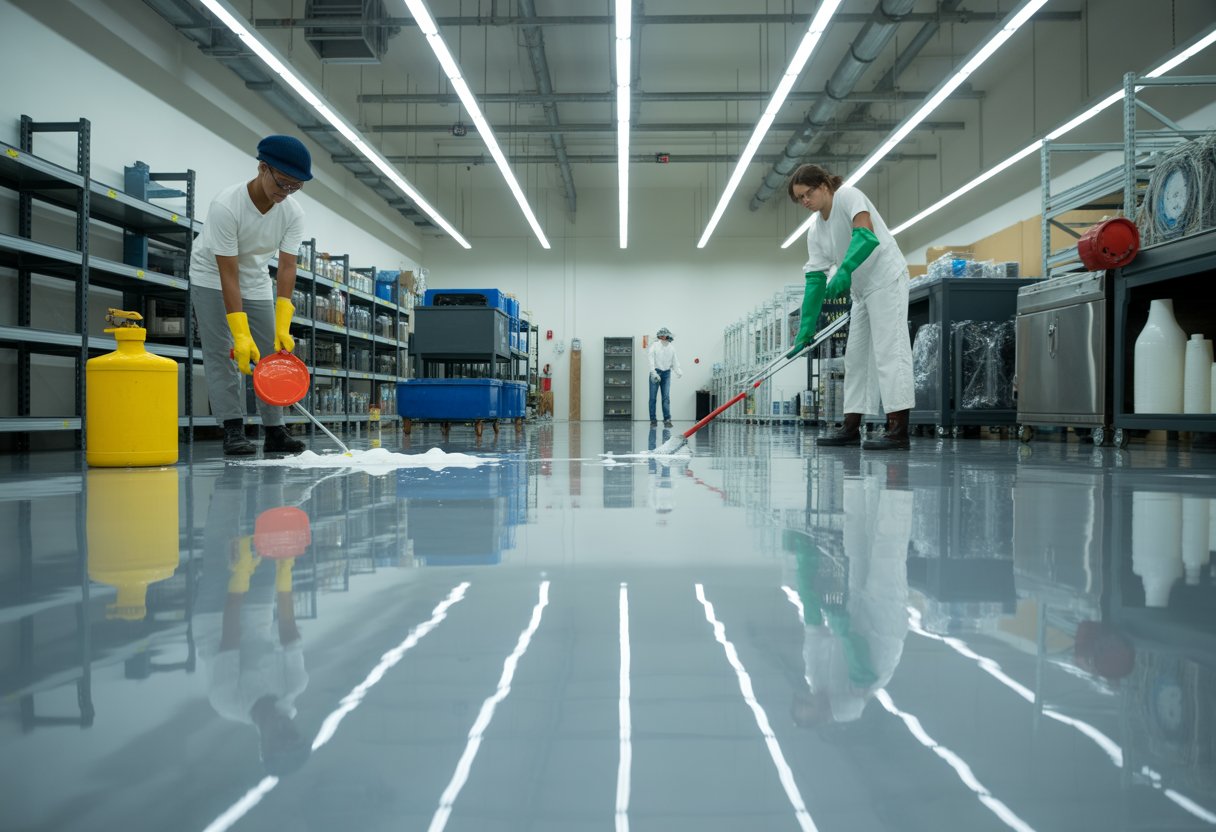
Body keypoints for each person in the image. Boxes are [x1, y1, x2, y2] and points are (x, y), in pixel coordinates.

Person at [190, 135, 311, 456]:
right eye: (282, 183)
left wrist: (283, 325)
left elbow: (286, 267)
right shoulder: (226, 206)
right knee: (222, 354)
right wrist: (240, 335)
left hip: (256, 279)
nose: (285, 193)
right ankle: (233, 428)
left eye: (294, 187)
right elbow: (228, 273)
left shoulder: (292, 213)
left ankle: (274, 429)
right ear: (262, 168)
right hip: (211, 276)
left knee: (273, 354)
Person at [788, 164, 915, 450]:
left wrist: (844, 270)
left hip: (886, 278)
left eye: (807, 194)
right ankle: (851, 426)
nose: (805, 201)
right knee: (855, 358)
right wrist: (806, 328)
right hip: (861, 292)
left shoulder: (848, 196)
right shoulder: (816, 231)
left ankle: (898, 428)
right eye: (800, 199)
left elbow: (866, 234)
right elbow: (815, 279)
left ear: (823, 185)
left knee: (889, 351)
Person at [647, 327, 683, 428]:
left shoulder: (671, 347)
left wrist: (678, 371)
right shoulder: (654, 345)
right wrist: (653, 372)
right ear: (659, 336)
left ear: (668, 336)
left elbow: (674, 361)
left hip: (666, 373)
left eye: (665, 335)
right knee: (653, 398)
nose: (664, 337)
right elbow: (650, 358)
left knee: (666, 398)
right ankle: (653, 420)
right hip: (656, 372)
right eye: (662, 335)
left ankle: (667, 419)